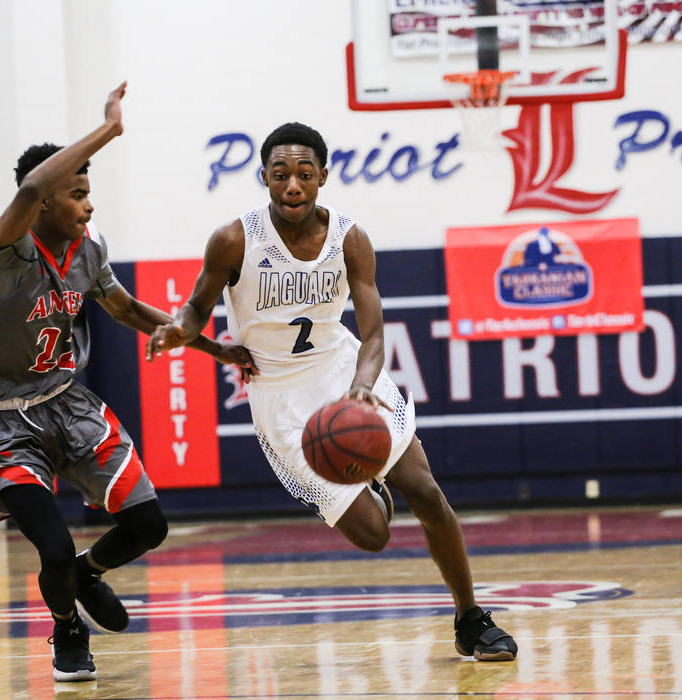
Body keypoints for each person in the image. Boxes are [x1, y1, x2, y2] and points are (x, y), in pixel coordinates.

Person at [146, 121, 518, 662]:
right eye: (280, 175)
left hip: (345, 372)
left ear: (322, 176)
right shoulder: (234, 239)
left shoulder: (349, 238)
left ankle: (470, 618)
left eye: (303, 174)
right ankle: (373, 489)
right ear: (265, 179)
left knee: (428, 492)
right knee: (374, 535)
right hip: (280, 397)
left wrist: (363, 387)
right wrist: (184, 329)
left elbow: (372, 334)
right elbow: (198, 307)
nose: (292, 185)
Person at [0, 82, 237, 682]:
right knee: (49, 547)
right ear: (44, 204)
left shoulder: (89, 246)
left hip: (65, 403)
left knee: (147, 525)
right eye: (77, 193)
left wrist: (213, 348)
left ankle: (88, 574)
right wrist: (109, 129)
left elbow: (127, 309)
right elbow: (29, 186)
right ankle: (67, 628)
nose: (89, 204)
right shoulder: (5, 255)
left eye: (89, 191)